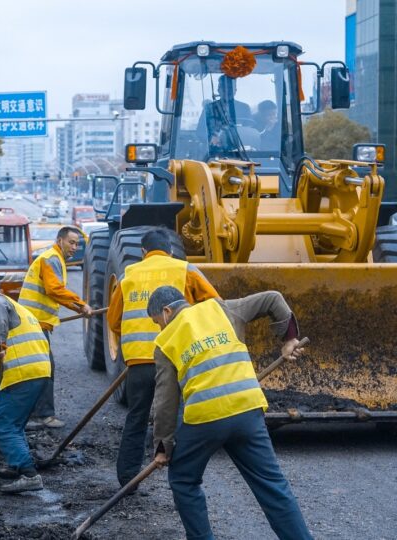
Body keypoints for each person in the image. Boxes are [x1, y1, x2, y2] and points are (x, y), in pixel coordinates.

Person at [147, 286, 312, 540]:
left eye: (158, 322)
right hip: (247, 411)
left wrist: (162, 447)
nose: (160, 328)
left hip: (204, 421)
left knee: (183, 480)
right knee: (272, 486)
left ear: (167, 311)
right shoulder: (222, 308)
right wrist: (289, 339)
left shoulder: (165, 341)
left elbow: (165, 400)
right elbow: (273, 299)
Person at [106, 228, 219, 488]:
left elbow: (113, 321)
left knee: (136, 417)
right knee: (178, 418)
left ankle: (128, 480)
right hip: (177, 358)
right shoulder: (185, 269)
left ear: (143, 253)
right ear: (169, 250)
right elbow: (215, 304)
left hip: (139, 365)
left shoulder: (128, 275)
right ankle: (181, 476)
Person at [0, 278, 51, 494]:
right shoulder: (16, 306)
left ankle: (29, 474)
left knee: (4, 427)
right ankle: (17, 465)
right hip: (37, 370)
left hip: (22, 372)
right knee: (15, 425)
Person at [18, 226, 92, 429]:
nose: (75, 247)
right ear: (60, 240)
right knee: (44, 369)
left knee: (40, 369)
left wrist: (78, 307)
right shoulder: (51, 258)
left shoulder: (53, 259)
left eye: (77, 244)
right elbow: (55, 289)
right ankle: (41, 416)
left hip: (35, 323)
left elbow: (54, 292)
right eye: (71, 242)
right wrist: (80, 304)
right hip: (33, 324)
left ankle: (35, 414)